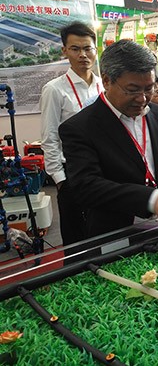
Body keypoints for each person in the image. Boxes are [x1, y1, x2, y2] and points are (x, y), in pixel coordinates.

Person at [59, 40, 158, 238]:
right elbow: (87, 186)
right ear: (107, 81)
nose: (142, 98)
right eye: (133, 90)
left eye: (149, 88)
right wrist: (151, 199)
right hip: (117, 233)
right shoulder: (80, 127)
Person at [40, 21, 102, 245]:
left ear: (95, 50)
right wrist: (60, 180)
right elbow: (49, 137)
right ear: (64, 51)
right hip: (72, 172)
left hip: (103, 170)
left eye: (87, 48)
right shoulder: (54, 89)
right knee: (76, 237)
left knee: (103, 230)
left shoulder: (103, 86)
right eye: (75, 49)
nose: (82, 55)